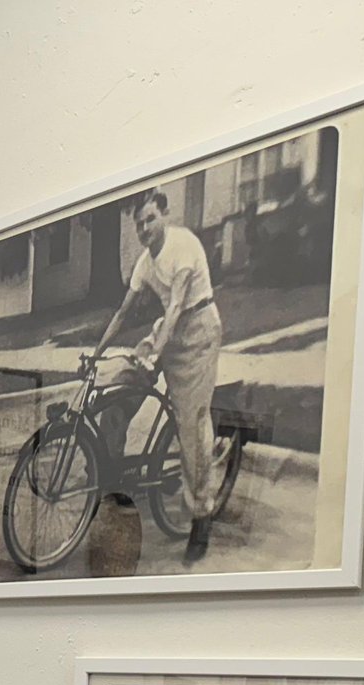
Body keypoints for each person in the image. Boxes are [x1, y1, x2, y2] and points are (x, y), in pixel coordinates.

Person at [91, 189, 229, 562]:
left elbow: (178, 305)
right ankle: (109, 481)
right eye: (139, 224)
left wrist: (157, 354)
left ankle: (201, 517)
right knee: (118, 390)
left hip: (198, 330)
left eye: (150, 219)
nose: (144, 229)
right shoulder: (145, 263)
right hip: (167, 329)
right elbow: (123, 313)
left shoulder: (183, 246)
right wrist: (97, 353)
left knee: (192, 426)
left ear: (164, 215)